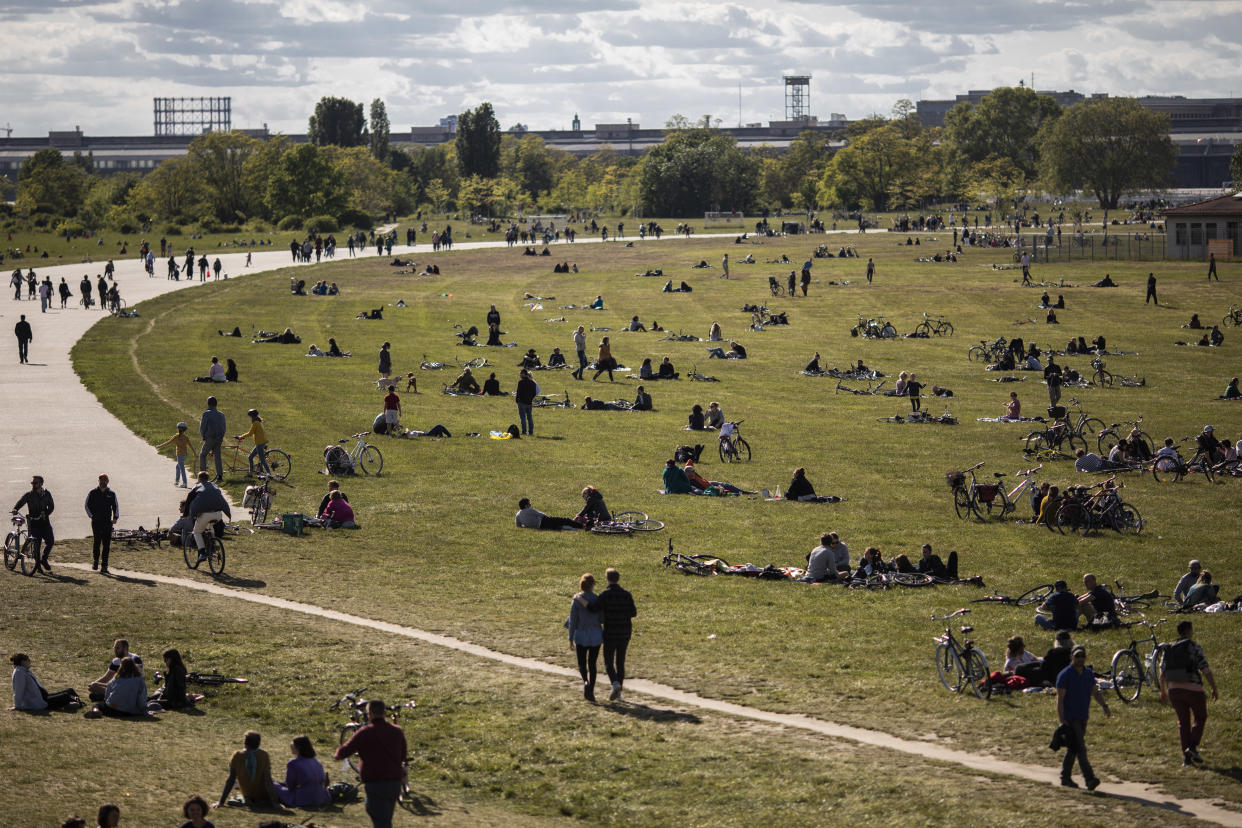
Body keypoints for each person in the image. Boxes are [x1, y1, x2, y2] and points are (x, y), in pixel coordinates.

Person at [1159, 620, 1219, 765]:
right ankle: (1192, 747)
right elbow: (1205, 669)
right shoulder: (1193, 647)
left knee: (1183, 723)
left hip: (1174, 690)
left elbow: (1162, 673)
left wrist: (1163, 691)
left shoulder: (1169, 649)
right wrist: (1214, 688)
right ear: (1189, 630)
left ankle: (1186, 759)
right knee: (1200, 717)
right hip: (1194, 689)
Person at [1056, 645, 1110, 789]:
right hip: (1070, 718)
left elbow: (1095, 692)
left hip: (1083, 717)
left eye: (1082, 656)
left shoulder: (1088, 674)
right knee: (1081, 749)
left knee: (1073, 749)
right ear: (1071, 657)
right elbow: (1060, 699)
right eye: (1077, 656)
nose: (1080, 659)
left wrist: (1104, 705)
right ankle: (1089, 779)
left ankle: (1065, 778)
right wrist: (1062, 720)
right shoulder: (1065, 675)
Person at [215, 730, 279, 809]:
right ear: (258, 743)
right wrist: (275, 803)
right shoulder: (264, 755)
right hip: (262, 796)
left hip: (247, 794)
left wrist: (221, 801)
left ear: (245, 742)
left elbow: (231, 779)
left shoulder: (237, 755)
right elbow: (268, 780)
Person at [565, 573, 603, 701]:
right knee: (592, 664)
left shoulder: (576, 600)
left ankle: (585, 681)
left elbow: (573, 621)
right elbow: (602, 617)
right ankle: (591, 689)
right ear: (592, 585)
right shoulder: (597, 599)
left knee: (582, 663)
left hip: (581, 635)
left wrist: (570, 638)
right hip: (596, 635)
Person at [10, 652, 82, 711]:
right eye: (28, 660)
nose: (30, 661)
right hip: (41, 702)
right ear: (22, 662)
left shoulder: (25, 671)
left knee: (70, 690)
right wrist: (17, 706)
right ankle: (77, 703)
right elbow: (19, 690)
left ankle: (76, 702)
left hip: (44, 697)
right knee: (65, 696)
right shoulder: (19, 673)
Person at [12, 474, 55, 573]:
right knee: (37, 545)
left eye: (35, 483)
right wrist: (15, 509)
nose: (33, 484)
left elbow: (52, 506)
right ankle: (38, 567)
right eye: (32, 483)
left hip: (45, 523)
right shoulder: (29, 495)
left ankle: (44, 559)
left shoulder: (47, 494)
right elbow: (20, 502)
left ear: (41, 483)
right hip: (33, 523)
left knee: (50, 542)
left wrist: (46, 513)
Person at [274, 735, 331, 807]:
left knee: (274, 785)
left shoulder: (293, 763)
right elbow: (323, 780)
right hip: (321, 797)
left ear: (298, 747)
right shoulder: (316, 761)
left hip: (303, 798)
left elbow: (290, 785)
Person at [84, 656, 149, 717]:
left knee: (97, 705)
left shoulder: (117, 678)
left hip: (111, 709)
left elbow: (108, 693)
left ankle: (96, 711)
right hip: (127, 712)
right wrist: (143, 709)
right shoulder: (139, 679)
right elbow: (142, 697)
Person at [188, 472, 231, 561]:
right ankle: (213, 546)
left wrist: (190, 515)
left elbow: (192, 502)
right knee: (210, 526)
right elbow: (223, 501)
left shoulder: (197, 487)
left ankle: (202, 553)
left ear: (199, 479)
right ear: (208, 479)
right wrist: (228, 514)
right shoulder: (215, 486)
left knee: (197, 532)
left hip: (205, 515)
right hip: (218, 514)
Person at [84, 474, 119, 574]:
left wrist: (115, 517)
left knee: (106, 544)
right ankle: (95, 562)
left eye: (105, 480)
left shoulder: (111, 494)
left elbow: (115, 506)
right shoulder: (93, 492)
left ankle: (104, 565)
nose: (103, 482)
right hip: (96, 522)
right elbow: (87, 505)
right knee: (97, 542)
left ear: (108, 481)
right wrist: (91, 516)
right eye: (101, 480)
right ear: (98, 481)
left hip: (107, 522)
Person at [157, 422, 196, 488]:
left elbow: (168, 443)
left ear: (178, 429)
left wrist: (159, 446)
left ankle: (185, 483)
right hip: (185, 455)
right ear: (185, 430)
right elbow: (191, 446)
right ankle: (177, 481)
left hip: (179, 455)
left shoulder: (176, 437)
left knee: (182, 468)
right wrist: (195, 453)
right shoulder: (186, 437)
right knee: (178, 467)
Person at [234, 409, 270, 477]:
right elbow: (252, 433)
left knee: (262, 460)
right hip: (260, 443)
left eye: (250, 416)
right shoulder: (258, 422)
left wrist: (241, 437)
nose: (249, 418)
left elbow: (250, 433)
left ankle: (269, 474)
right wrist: (243, 437)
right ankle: (250, 474)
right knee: (250, 457)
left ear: (252, 416)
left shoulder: (255, 423)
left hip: (260, 443)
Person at [199, 397, 226, 482]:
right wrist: (221, 437)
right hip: (219, 438)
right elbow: (224, 427)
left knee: (203, 455)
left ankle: (203, 476)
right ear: (216, 404)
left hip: (210, 437)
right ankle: (220, 476)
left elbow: (203, 427)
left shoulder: (206, 413)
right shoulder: (221, 414)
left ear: (208, 403)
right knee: (217, 456)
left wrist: (203, 436)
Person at [515, 498, 579, 530]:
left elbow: (518, 526)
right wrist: (549, 518)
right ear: (526, 506)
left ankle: (574, 528)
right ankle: (581, 526)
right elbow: (541, 514)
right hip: (544, 521)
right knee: (565, 520)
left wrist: (527, 525)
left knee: (558, 526)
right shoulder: (529, 510)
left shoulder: (518, 515)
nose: (530, 505)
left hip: (541, 527)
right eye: (529, 504)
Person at [515, 369, 537, 436]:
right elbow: (534, 393)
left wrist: (517, 400)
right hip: (529, 403)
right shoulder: (533, 383)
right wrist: (530, 398)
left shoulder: (521, 382)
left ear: (524, 374)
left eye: (521, 374)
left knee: (523, 418)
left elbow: (518, 392)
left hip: (522, 402)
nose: (520, 375)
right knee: (529, 417)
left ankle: (524, 432)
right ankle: (531, 432)